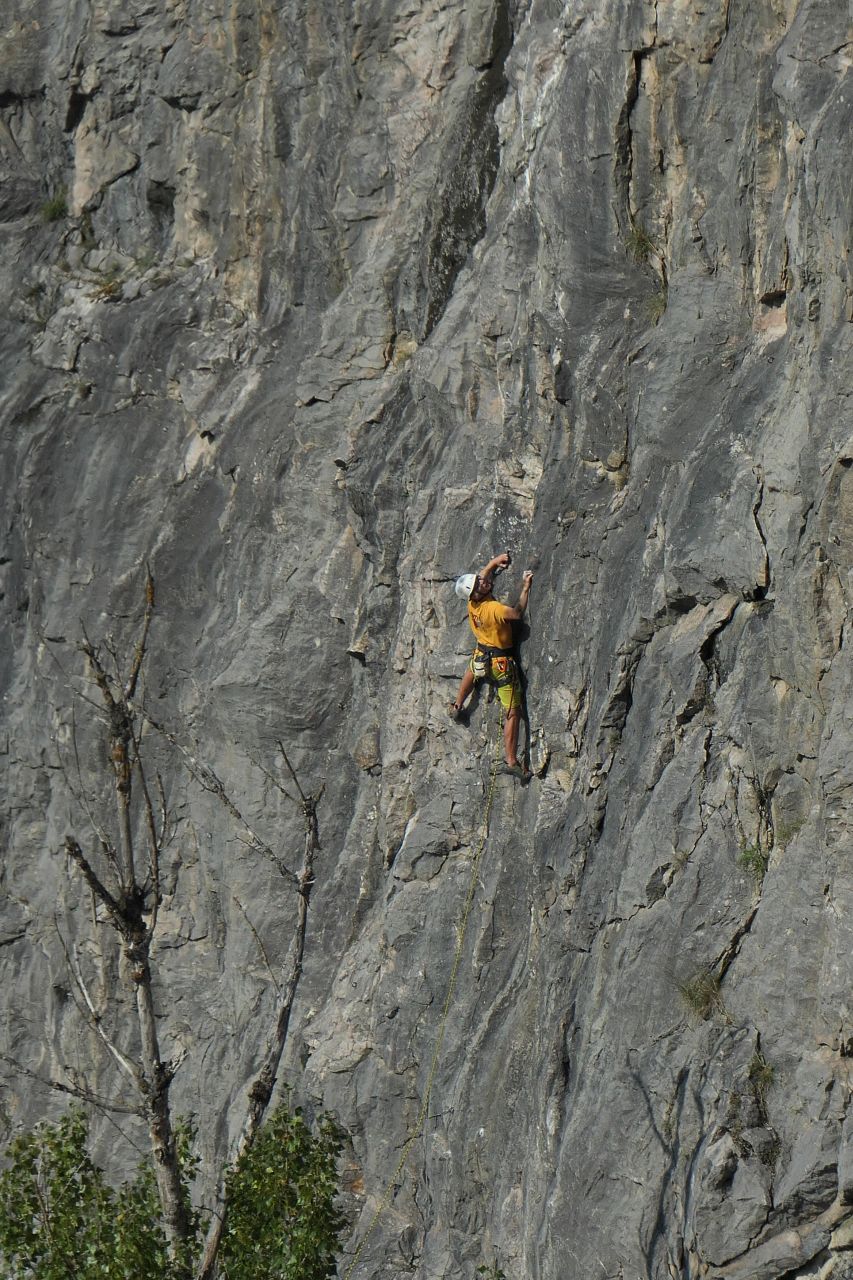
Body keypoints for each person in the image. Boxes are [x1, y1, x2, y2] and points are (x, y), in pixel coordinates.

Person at [450, 552, 533, 780]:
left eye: (482, 580)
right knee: (513, 711)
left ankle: (457, 706)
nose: (485, 582)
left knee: (472, 669)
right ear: (477, 592)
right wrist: (526, 588)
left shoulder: (471, 602)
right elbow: (516, 613)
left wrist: (494, 563)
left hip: (482, 653)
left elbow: (480, 579)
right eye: (481, 584)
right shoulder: (493, 609)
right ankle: (511, 761)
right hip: (501, 663)